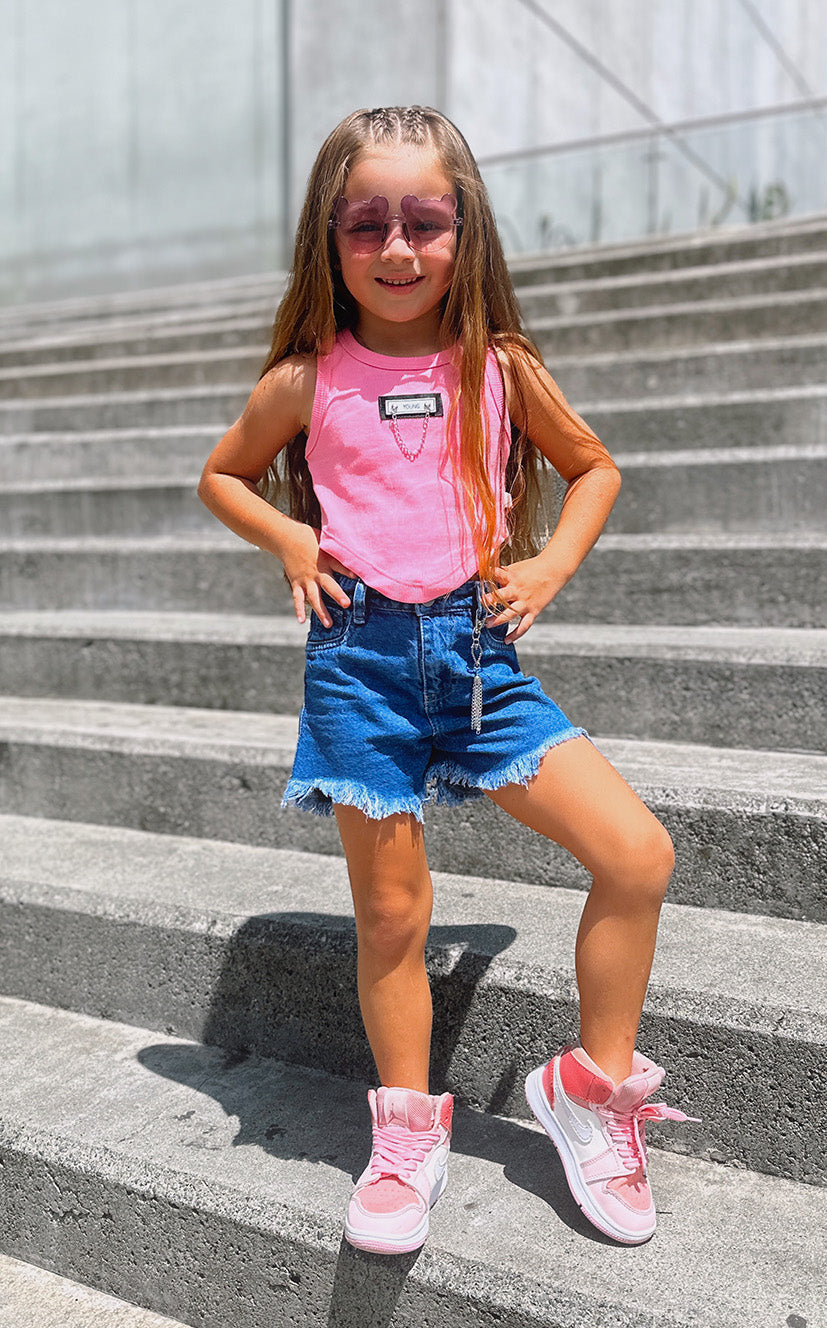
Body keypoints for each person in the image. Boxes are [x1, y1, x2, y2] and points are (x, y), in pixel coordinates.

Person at [197, 104, 694, 1254]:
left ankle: (588, 1087)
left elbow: (593, 466)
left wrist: (552, 562)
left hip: (477, 660)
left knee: (636, 851)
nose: (397, 247)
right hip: (358, 664)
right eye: (366, 222)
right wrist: (288, 538)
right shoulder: (303, 377)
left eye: (425, 220)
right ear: (330, 237)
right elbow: (223, 474)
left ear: (464, 230)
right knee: (390, 914)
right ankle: (406, 1132)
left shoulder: (499, 366)